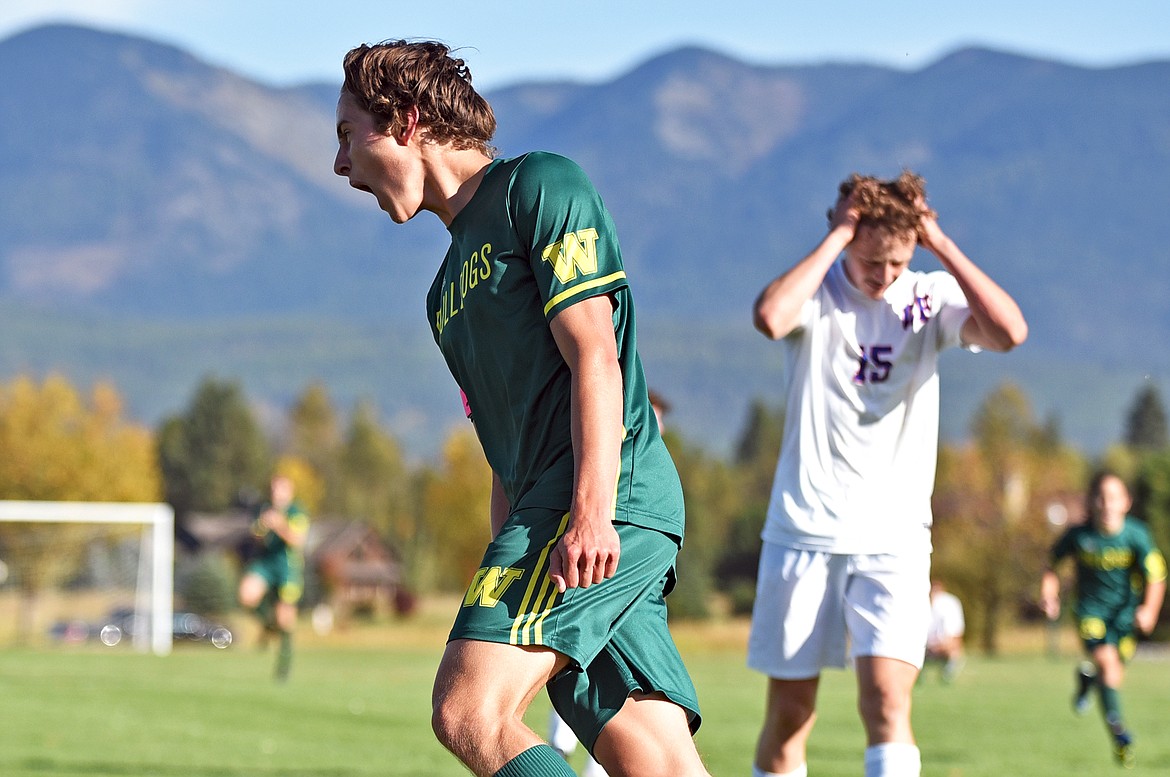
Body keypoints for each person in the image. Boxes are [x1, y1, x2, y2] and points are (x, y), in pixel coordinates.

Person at [334, 41, 709, 777]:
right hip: (555, 514)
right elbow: (502, 448)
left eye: (348, 136)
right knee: (652, 756)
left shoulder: (539, 185)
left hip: (602, 505)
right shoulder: (442, 298)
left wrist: (592, 512)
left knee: (469, 710)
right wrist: (500, 558)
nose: (341, 165)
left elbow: (594, 355)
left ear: (406, 121)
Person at [748, 171, 1028, 777]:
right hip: (804, 530)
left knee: (889, 703)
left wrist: (940, 242)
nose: (885, 277)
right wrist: (839, 233)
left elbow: (1010, 332)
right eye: (873, 261)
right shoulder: (817, 292)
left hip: (894, 538)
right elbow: (770, 317)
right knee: (792, 713)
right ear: (849, 241)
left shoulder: (928, 296)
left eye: (898, 262)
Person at [1039, 470, 1166, 768]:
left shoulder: (1137, 536)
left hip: (1125, 618)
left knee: (1112, 676)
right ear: (1092, 502)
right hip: (1089, 613)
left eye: (1113, 498)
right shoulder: (1079, 536)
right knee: (1108, 664)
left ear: (1126, 502)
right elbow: (1051, 564)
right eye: (1101, 497)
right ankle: (1119, 734)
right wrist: (1049, 593)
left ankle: (1088, 683)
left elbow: (1157, 576)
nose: (1107, 504)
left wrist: (1149, 609)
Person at [238, 473, 309, 681]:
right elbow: (255, 536)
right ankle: (267, 624)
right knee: (246, 595)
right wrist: (262, 527)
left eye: (280, 489)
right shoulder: (263, 509)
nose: (276, 493)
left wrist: (279, 525)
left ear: (289, 492)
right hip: (265, 563)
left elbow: (298, 541)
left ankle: (283, 668)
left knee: (285, 619)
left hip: (287, 567)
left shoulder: (296, 512)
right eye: (273, 489)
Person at [923, 579, 965, 683]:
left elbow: (953, 635)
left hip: (940, 646)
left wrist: (939, 646)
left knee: (953, 650)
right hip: (924, 646)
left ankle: (947, 672)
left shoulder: (948, 605)